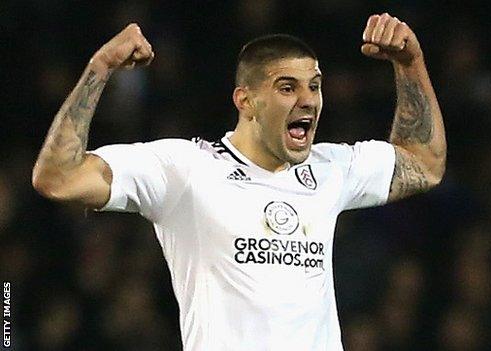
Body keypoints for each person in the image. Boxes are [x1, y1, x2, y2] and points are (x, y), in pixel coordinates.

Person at [32, 13, 446, 351]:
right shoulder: (187, 168)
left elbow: (423, 164)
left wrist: (410, 64)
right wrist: (100, 68)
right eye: (288, 87)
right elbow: (59, 177)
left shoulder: (330, 168)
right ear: (245, 100)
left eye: (315, 86)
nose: (308, 100)